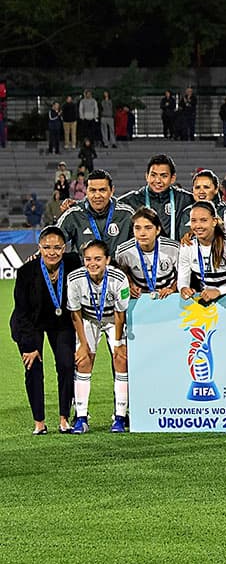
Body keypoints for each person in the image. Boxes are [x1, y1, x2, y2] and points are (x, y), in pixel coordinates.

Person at [10, 227, 81, 434]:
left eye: (57, 247)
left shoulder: (73, 263)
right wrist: (30, 345)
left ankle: (64, 418)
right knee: (33, 368)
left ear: (64, 248)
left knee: (67, 365)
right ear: (39, 248)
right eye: (47, 247)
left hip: (61, 323)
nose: (52, 252)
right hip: (30, 324)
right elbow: (22, 313)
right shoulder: (26, 272)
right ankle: (39, 422)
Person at [65, 240, 132, 433]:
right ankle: (81, 417)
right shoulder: (75, 278)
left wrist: (118, 343)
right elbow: (75, 314)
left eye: (97, 259)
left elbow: (120, 314)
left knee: (121, 360)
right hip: (88, 318)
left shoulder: (119, 278)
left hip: (113, 319)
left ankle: (119, 417)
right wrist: (83, 345)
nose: (92, 263)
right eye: (88, 259)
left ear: (107, 260)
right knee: (84, 362)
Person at [175, 201, 226, 303]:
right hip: (207, 300)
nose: (198, 225)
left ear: (214, 221)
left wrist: (219, 291)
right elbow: (183, 279)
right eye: (193, 220)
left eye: (203, 220)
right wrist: (183, 288)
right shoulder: (187, 246)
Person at [118, 154, 195, 241]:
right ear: (147, 176)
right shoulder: (131, 201)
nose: (158, 181)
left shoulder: (185, 199)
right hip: (142, 253)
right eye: (153, 175)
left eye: (164, 176)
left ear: (173, 178)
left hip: (175, 253)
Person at [57, 170, 135, 254]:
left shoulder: (126, 215)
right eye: (93, 190)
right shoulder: (74, 214)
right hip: (85, 266)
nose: (97, 196)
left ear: (112, 190)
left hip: (118, 267)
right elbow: (52, 242)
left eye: (102, 190)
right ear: (86, 191)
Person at [115, 208, 181, 301]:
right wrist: (129, 286)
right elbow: (123, 274)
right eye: (137, 228)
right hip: (140, 299)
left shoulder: (174, 248)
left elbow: (183, 275)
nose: (142, 233)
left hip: (169, 297)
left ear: (158, 230)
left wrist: (172, 289)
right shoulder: (124, 252)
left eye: (148, 228)